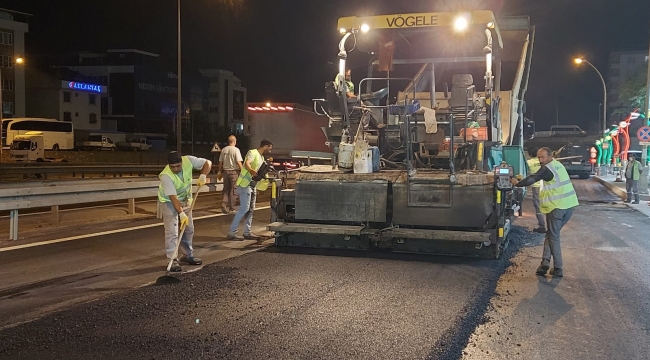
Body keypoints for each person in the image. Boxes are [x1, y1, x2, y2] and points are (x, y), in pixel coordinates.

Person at [511, 147, 579, 278]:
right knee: (551, 234)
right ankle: (544, 263)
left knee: (554, 237)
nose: (540, 160)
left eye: (542, 157)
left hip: (557, 208)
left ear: (550, 156)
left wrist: (517, 183)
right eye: (538, 157)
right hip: (569, 206)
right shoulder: (557, 165)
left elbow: (533, 178)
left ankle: (558, 268)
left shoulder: (547, 169)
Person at [158, 151, 212, 272]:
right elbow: (173, 198)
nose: (176, 169)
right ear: (168, 165)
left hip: (185, 199)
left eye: (178, 166)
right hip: (168, 201)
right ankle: (172, 260)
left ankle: (187, 255)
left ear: (181, 162)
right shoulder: (166, 176)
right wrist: (181, 214)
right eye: (172, 167)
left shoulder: (188, 160)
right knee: (172, 231)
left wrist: (203, 175)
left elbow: (208, 163)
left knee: (188, 229)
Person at [227, 139, 273, 240]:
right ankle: (232, 232)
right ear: (265, 146)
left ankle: (247, 232)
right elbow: (247, 162)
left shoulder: (261, 157)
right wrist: (251, 170)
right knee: (244, 209)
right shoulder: (252, 152)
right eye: (269, 149)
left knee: (250, 210)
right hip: (245, 185)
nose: (269, 151)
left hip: (252, 186)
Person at [217, 135, 243, 214]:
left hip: (225, 172)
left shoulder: (224, 150)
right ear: (234, 141)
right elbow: (239, 162)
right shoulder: (236, 150)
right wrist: (243, 171)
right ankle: (232, 208)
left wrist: (219, 171)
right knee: (233, 190)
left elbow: (220, 162)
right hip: (234, 172)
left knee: (226, 189)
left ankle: (224, 204)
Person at [526, 147, 547, 233]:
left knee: (538, 207)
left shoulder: (528, 163)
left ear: (530, 154)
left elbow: (526, 174)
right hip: (546, 185)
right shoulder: (543, 162)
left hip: (536, 187)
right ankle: (550, 226)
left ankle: (542, 226)